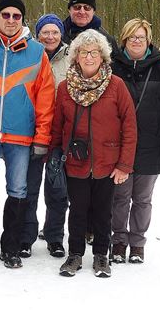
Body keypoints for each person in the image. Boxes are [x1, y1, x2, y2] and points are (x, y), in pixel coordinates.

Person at [0, 0, 55, 269]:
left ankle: (11, 247)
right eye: (5, 14)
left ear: (22, 19)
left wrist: (42, 137)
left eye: (16, 15)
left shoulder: (37, 52)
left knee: (19, 189)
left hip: (21, 135)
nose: (11, 19)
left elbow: (45, 99)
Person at [52, 29, 137, 278]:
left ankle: (101, 255)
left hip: (107, 162)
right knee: (77, 210)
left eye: (94, 52)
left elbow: (130, 127)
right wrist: (54, 156)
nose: (89, 57)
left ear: (103, 56)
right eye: (83, 52)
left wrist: (124, 164)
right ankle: (75, 254)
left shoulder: (116, 86)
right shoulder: (65, 88)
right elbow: (58, 126)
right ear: (75, 56)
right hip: (76, 161)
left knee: (103, 211)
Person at [110, 18, 160, 264]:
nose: (136, 41)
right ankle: (118, 240)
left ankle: (137, 242)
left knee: (142, 198)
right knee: (120, 197)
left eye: (141, 37)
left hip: (152, 145)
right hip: (119, 146)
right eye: (132, 37)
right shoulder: (113, 67)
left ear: (148, 40)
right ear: (124, 40)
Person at [20, 14, 69, 259]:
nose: (50, 37)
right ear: (37, 34)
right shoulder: (28, 55)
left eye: (55, 32)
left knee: (57, 191)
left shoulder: (72, 58)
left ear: (61, 34)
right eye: (45, 32)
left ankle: (55, 237)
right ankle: (26, 237)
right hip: (31, 132)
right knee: (29, 189)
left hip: (59, 136)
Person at [62, 0, 120, 66]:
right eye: (77, 7)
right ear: (69, 10)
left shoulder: (107, 40)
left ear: (93, 11)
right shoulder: (58, 37)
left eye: (87, 8)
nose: (82, 12)